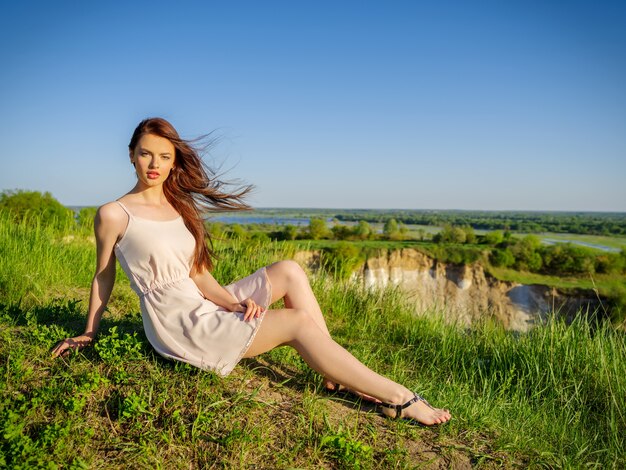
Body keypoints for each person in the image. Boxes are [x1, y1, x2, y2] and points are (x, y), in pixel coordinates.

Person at [52, 117, 451, 426]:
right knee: (296, 322)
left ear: (175, 162)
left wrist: (234, 301)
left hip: (200, 302)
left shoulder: (177, 208)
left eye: (164, 156)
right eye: (145, 154)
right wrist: (89, 331)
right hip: (178, 324)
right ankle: (400, 398)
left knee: (289, 270)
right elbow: (103, 276)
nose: (154, 164)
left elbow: (199, 276)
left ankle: (336, 374)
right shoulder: (113, 213)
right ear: (130, 154)